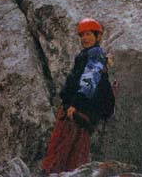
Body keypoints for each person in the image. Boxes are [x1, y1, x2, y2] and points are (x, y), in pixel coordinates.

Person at [42, 18, 113, 174]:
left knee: (64, 149)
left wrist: (75, 104)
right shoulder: (88, 55)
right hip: (77, 110)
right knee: (72, 152)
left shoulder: (95, 54)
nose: (84, 38)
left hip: (78, 110)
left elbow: (89, 81)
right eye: (82, 36)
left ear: (97, 37)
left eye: (88, 34)